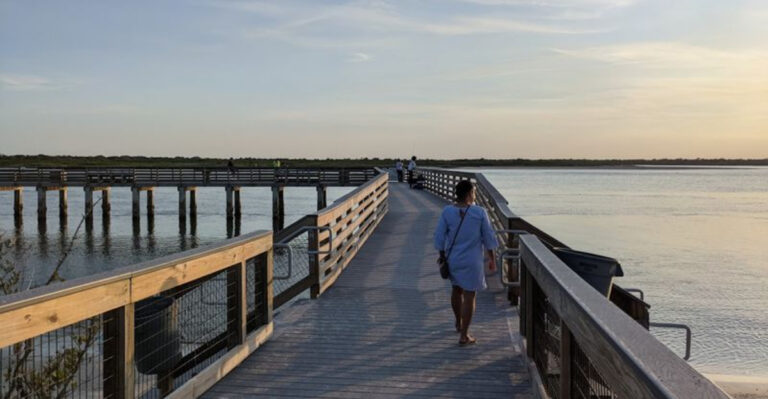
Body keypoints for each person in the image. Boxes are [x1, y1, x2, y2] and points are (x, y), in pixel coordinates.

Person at [433, 180, 498, 346]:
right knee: (470, 295)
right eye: (474, 191)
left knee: (456, 290)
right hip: (472, 261)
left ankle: (458, 322)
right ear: (469, 194)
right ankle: (464, 335)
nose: (474, 194)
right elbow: (488, 236)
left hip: (453, 258)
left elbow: (440, 236)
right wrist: (492, 258)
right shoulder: (479, 212)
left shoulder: (447, 211)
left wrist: (442, 255)